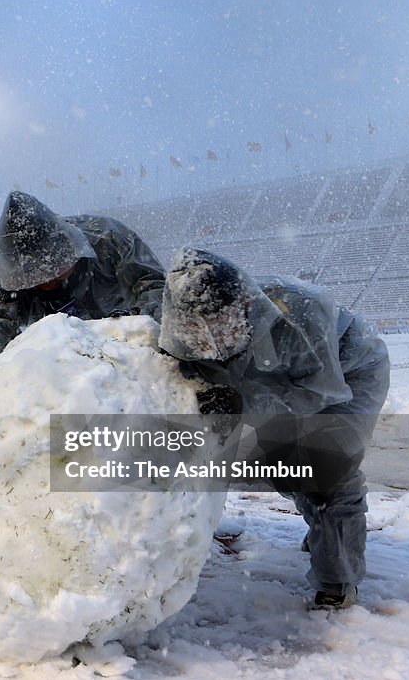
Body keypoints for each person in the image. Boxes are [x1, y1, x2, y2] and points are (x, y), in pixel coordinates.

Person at [158, 246, 390, 610]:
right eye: (195, 333)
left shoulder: (300, 313)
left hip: (346, 376)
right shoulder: (184, 326)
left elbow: (317, 395)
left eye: (220, 329)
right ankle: (323, 531)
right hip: (267, 381)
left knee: (328, 469)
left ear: (245, 307)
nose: (208, 344)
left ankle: (338, 581)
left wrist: (240, 406)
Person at [0, 190, 166, 388]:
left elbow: (153, 287)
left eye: (54, 271)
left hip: (132, 360)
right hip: (67, 374)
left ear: (71, 250)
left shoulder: (109, 239)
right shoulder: (7, 277)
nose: (47, 283)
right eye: (34, 280)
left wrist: (136, 321)